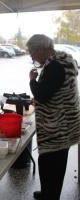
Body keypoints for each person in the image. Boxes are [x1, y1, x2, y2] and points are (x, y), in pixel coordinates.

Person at [26, 34, 80, 200]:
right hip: (65, 123)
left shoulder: (55, 66)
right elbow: (54, 90)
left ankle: (50, 196)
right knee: (55, 164)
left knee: (50, 165)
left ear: (41, 50)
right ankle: (48, 193)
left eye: (31, 52)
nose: (31, 56)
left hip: (56, 128)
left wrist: (32, 80)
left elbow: (42, 95)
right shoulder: (63, 62)